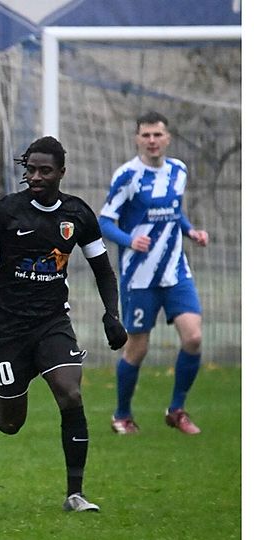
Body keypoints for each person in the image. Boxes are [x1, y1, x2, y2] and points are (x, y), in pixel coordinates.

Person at [0, 136, 128, 513]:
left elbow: (104, 271)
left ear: (61, 172)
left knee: (70, 393)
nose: (36, 177)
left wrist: (111, 314)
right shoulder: (5, 212)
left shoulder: (78, 215)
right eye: (30, 169)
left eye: (45, 170)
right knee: (12, 423)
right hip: (9, 331)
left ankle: (75, 493)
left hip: (52, 323)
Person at [99, 112, 209, 435]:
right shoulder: (127, 176)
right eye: (145, 135)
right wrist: (129, 240)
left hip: (176, 271)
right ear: (137, 139)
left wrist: (191, 232)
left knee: (194, 337)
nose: (152, 141)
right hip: (140, 276)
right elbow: (105, 221)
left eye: (157, 135)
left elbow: (175, 212)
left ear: (167, 138)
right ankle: (122, 415)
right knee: (138, 347)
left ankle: (176, 410)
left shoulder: (179, 171)